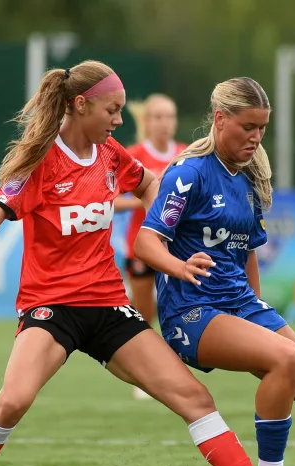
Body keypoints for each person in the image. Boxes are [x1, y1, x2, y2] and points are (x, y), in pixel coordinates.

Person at [0, 61, 252, 466]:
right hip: (52, 307)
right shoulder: (42, 162)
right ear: (80, 105)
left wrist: (165, 229)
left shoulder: (110, 153)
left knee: (195, 399)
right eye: (112, 110)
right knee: (13, 402)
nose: (120, 119)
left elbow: (150, 184)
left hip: (108, 305)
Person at [134, 77, 295, 466]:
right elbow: (146, 242)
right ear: (219, 119)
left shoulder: (249, 178)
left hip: (240, 304)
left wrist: (257, 306)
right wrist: (180, 267)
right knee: (285, 358)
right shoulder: (189, 174)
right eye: (248, 127)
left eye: (262, 128)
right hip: (192, 312)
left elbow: (246, 252)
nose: (256, 137)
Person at [113, 93, 188, 400]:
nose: (163, 123)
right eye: (157, 116)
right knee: (144, 312)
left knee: (180, 309)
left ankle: (174, 371)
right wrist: (138, 200)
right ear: (146, 121)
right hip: (141, 247)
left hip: (177, 249)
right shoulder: (132, 154)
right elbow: (108, 198)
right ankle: (142, 373)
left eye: (169, 116)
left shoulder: (187, 154)